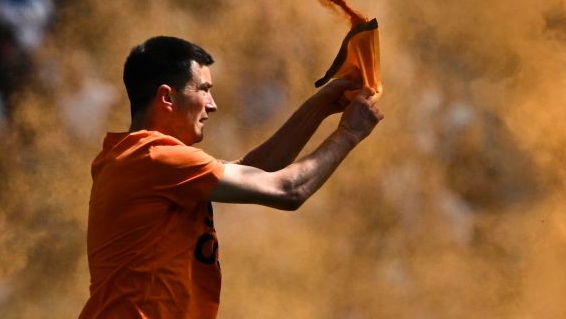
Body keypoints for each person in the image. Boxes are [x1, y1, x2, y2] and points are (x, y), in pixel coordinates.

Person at [78, 35, 383, 318]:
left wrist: (321, 106)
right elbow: (288, 190)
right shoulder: (154, 157)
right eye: (204, 90)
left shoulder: (141, 158)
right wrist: (349, 134)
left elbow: (256, 170)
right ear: (167, 97)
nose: (213, 105)